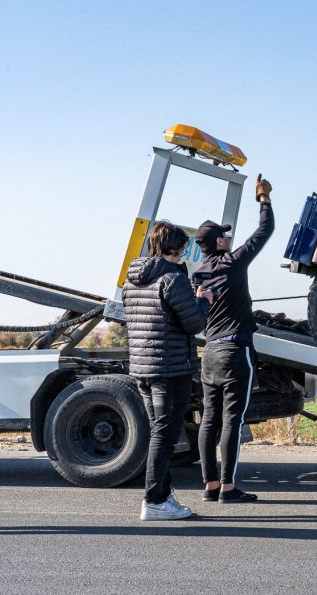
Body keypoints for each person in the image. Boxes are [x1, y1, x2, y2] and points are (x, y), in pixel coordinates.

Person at [123, 221, 212, 521]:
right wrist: (203, 301)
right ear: (177, 247)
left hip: (143, 369)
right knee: (165, 435)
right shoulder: (172, 279)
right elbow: (194, 323)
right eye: (184, 247)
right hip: (170, 369)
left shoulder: (132, 280)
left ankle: (163, 494)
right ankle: (155, 500)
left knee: (158, 431)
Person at [194, 173, 274, 503]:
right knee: (232, 420)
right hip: (234, 351)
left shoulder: (197, 274)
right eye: (224, 236)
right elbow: (264, 231)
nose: (229, 239)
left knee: (208, 420)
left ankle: (210, 486)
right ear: (219, 242)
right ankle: (228, 487)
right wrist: (264, 199)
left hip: (209, 353)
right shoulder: (233, 262)